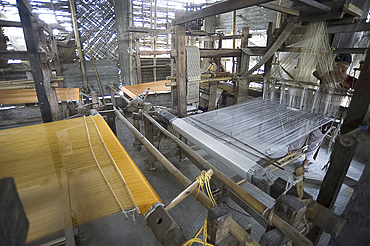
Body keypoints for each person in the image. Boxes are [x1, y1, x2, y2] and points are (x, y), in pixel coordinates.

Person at [290, 54, 356, 171]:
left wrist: (343, 76)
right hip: (314, 108)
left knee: (317, 138)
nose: (340, 70)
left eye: (344, 68)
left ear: (348, 67)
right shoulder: (327, 75)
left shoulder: (349, 80)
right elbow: (315, 73)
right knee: (301, 131)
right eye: (337, 67)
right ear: (334, 65)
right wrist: (325, 66)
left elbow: (361, 86)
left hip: (329, 112)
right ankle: (291, 153)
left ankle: (306, 160)